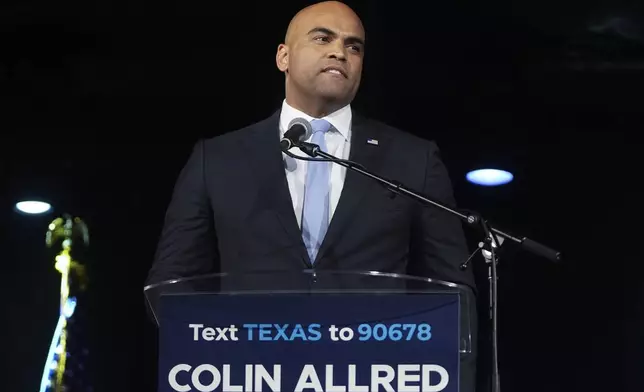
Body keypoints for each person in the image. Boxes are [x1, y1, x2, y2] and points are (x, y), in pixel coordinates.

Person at [146, 1, 478, 389]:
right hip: (249, 375)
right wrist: (220, 350)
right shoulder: (217, 159)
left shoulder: (413, 159)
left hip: (375, 377)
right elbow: (172, 284)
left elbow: (454, 295)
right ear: (283, 56)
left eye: (354, 47)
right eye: (323, 38)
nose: (340, 51)